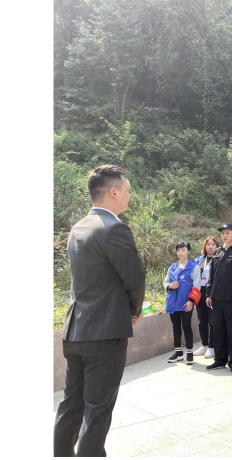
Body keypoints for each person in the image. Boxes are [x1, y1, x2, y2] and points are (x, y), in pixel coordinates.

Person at [53, 165, 146, 458]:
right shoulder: (114, 228)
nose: (129, 196)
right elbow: (135, 277)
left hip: (75, 331)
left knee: (71, 406)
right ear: (113, 191)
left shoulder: (78, 227)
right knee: (97, 413)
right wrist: (133, 311)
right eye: (127, 190)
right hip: (105, 334)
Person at [205, 223, 232, 374]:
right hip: (217, 298)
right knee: (217, 329)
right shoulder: (217, 252)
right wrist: (209, 294)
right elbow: (212, 276)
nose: (224, 235)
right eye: (223, 233)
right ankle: (219, 359)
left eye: (228, 232)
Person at [164, 242, 201, 365]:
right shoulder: (172, 267)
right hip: (173, 303)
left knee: (186, 326)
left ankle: (189, 353)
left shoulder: (194, 267)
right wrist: (170, 285)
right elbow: (166, 282)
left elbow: (197, 286)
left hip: (185, 303)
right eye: (179, 250)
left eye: (183, 250)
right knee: (175, 327)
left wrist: (191, 301)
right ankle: (178, 352)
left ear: (188, 251)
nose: (181, 252)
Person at [194, 237, 219, 359]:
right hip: (200, 292)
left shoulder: (218, 258)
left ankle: (212, 347)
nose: (210, 247)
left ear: (217, 246)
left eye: (213, 244)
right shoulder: (199, 259)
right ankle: (204, 344)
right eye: (208, 244)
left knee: (212, 321)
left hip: (212, 293)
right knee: (201, 320)